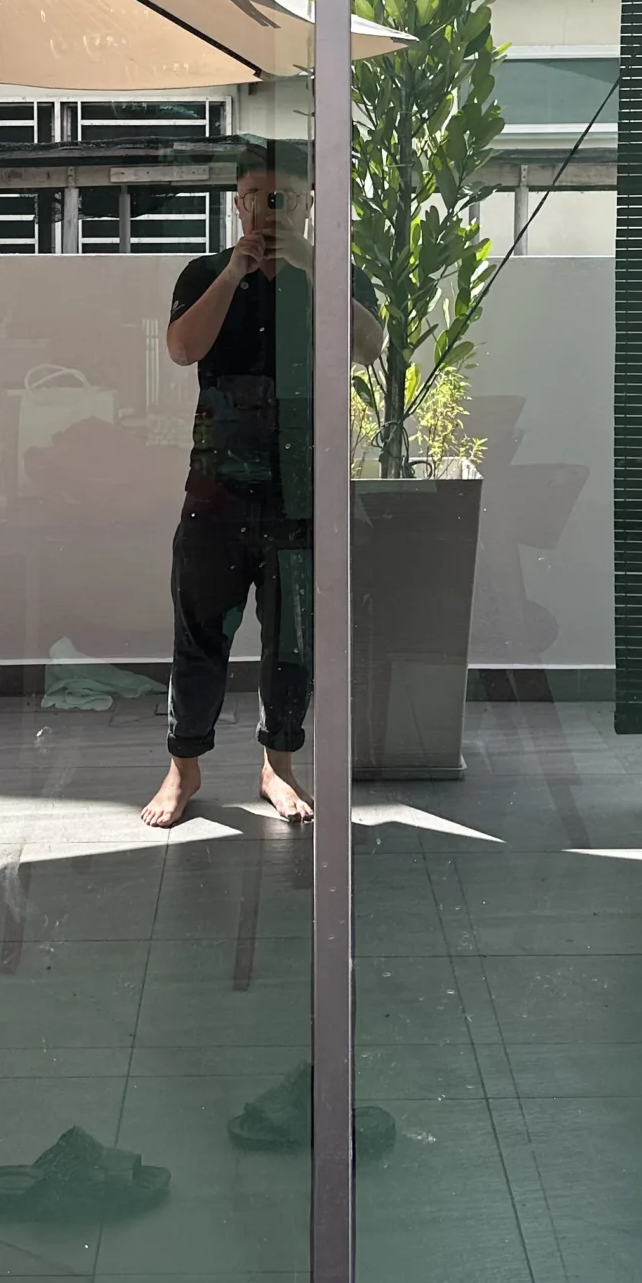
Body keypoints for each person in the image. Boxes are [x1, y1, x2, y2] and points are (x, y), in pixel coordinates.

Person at [141, 141, 383, 830]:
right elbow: (182, 349)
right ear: (237, 203)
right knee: (198, 634)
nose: (269, 210)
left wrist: (312, 264)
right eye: (256, 198)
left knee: (292, 639)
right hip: (216, 486)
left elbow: (370, 349)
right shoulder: (204, 270)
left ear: (308, 205)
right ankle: (183, 767)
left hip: (301, 490)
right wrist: (233, 273)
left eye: (285, 199)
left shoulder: (335, 274)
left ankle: (279, 764)